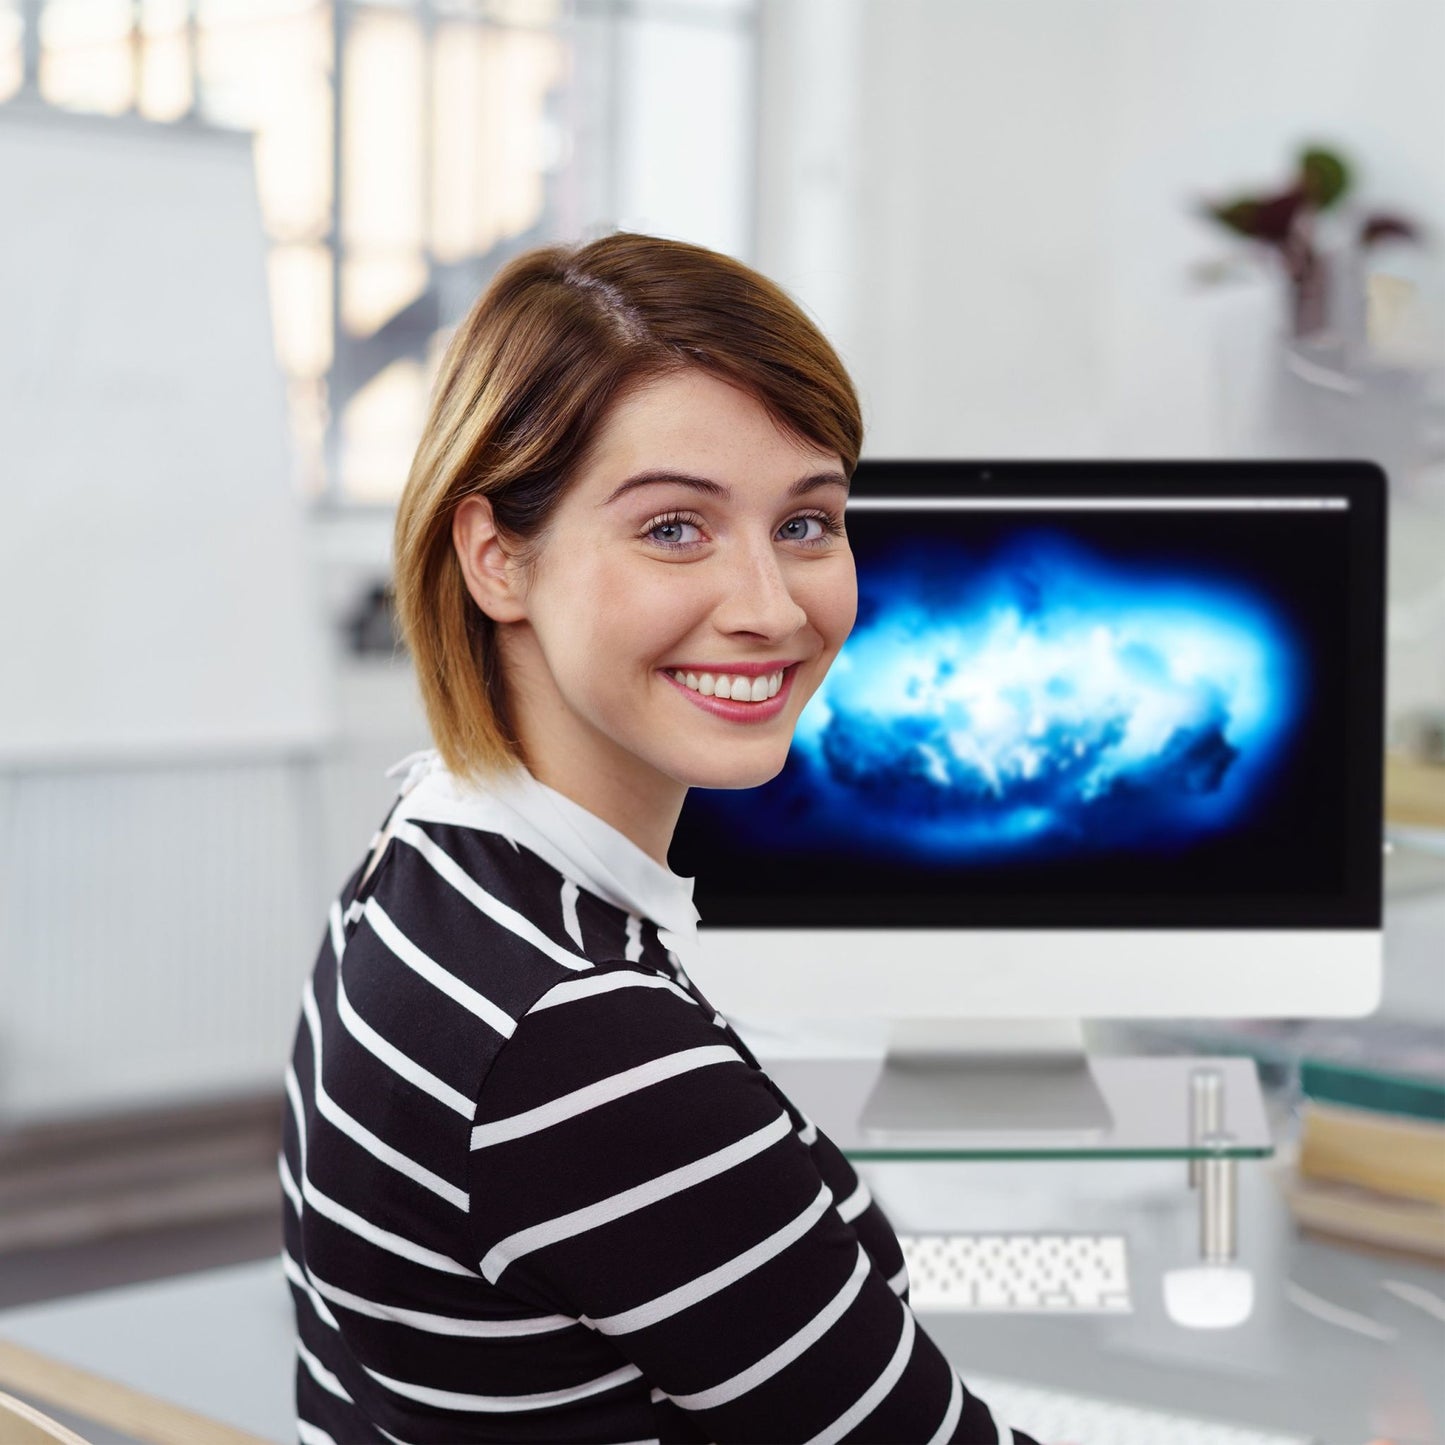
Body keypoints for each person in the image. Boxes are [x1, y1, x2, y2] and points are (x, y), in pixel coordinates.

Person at [278, 230, 1046, 1443]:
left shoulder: (422, 851)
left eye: (807, 522)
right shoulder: (581, 1047)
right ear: (497, 558)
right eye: (675, 528)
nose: (770, 608)